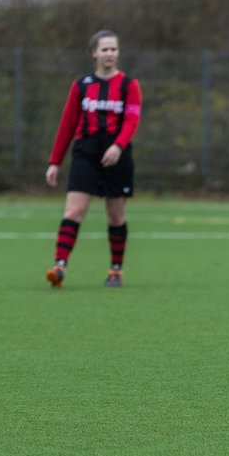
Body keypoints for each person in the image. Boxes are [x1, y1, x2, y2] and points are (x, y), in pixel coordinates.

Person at [44, 30, 143, 288]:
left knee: (115, 215)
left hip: (116, 156)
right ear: (94, 53)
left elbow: (132, 120)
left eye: (114, 49)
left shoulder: (129, 85)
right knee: (74, 211)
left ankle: (115, 270)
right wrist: (55, 161)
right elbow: (67, 124)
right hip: (85, 153)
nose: (110, 54)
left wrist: (118, 146)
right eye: (105, 49)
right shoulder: (82, 86)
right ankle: (59, 266)